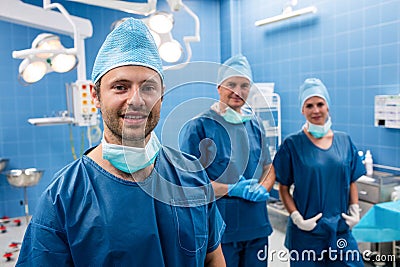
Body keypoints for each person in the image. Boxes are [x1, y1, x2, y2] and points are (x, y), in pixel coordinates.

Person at [16, 18, 226, 266]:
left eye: (148, 88)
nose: (136, 100)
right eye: (120, 87)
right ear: (95, 95)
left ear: (162, 95)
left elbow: (213, 258)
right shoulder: (63, 199)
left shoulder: (191, 176)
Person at [180, 54, 275, 266]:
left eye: (244, 85)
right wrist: (231, 189)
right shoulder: (199, 126)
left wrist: (263, 188)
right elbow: (190, 185)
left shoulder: (255, 125)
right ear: (219, 87)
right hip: (220, 229)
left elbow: (269, 166)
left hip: (256, 225)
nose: (238, 91)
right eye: (231, 84)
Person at [272, 78, 365, 266]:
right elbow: (283, 187)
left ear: (327, 107)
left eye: (320, 104)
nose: (315, 110)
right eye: (309, 105)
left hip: (340, 230)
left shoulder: (344, 141)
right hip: (307, 233)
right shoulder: (292, 144)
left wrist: (354, 209)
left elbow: (351, 180)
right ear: (302, 110)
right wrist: (297, 218)